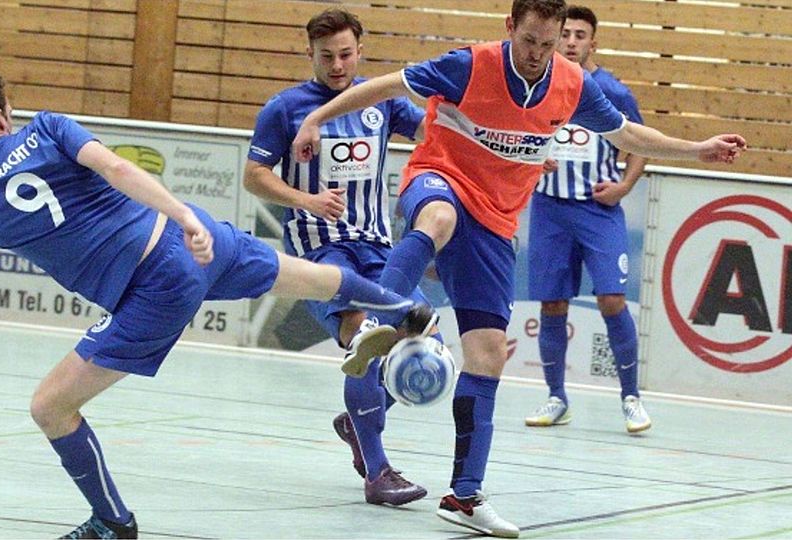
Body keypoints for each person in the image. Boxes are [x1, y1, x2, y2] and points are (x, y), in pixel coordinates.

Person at [0, 69, 435, 539]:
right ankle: (400, 309)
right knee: (311, 278)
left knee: (50, 407)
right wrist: (187, 216)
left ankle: (112, 522)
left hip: (151, 288)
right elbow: (118, 169)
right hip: (185, 236)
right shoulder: (48, 128)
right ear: (5, 115)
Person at [291, 0, 745, 536]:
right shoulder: (470, 64)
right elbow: (388, 86)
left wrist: (699, 149)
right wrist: (318, 116)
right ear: (511, 28)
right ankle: (379, 318)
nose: (537, 54)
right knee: (437, 215)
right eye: (529, 41)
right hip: (438, 178)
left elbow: (625, 135)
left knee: (486, 356)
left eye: (547, 44)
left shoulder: (572, 85)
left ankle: (463, 496)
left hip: (496, 221)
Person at [244, 8, 434, 506]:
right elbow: (254, 176)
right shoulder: (285, 108)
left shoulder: (380, 103)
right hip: (319, 254)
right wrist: (305, 200)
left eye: (345, 54)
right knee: (364, 339)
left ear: (360, 50)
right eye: (326, 56)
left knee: (422, 334)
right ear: (309, 53)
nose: (337, 65)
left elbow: (430, 133)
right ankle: (378, 473)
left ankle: (358, 422)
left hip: (377, 247)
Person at [524, 5, 652, 434]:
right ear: (556, 38)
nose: (572, 42)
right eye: (567, 35)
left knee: (612, 300)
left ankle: (631, 397)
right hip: (548, 210)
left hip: (598, 211)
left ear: (593, 43)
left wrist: (623, 187)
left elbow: (639, 145)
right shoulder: (537, 86)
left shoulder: (610, 90)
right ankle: (556, 397)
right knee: (552, 303)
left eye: (581, 35)